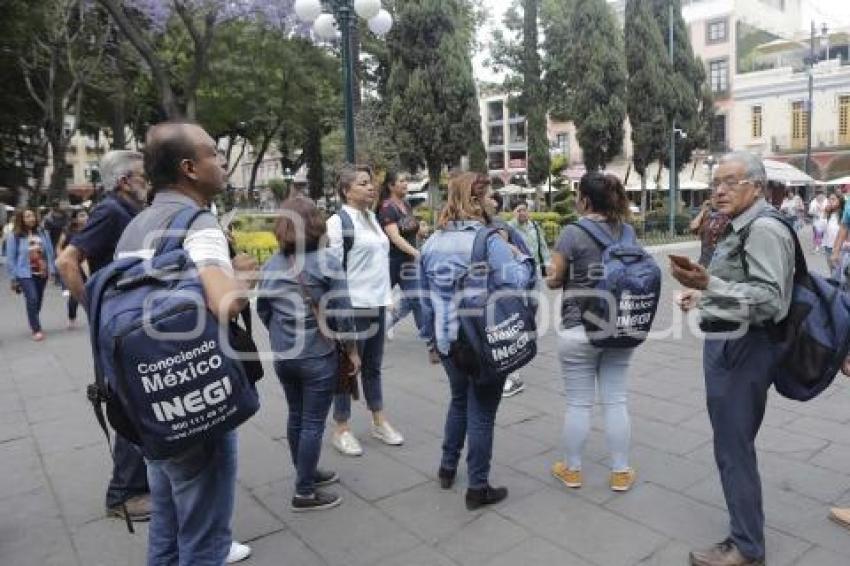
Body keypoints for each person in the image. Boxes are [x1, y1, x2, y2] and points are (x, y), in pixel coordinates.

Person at [114, 122, 256, 565]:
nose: (223, 162)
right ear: (190, 168)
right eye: (215, 154)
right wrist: (244, 275)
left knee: (168, 524)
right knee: (204, 538)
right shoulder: (198, 221)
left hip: (149, 396)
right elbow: (226, 303)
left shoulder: (138, 224)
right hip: (195, 396)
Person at [672, 151, 795, 566]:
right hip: (731, 340)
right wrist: (705, 293)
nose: (719, 191)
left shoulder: (762, 229)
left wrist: (709, 282)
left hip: (742, 348)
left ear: (756, 187)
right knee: (732, 444)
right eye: (715, 183)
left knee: (733, 447)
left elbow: (770, 302)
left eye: (730, 182)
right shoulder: (742, 224)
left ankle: (746, 547)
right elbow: (744, 286)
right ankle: (746, 538)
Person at [419, 172, 535, 510]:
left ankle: (446, 467)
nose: (494, 202)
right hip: (482, 343)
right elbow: (517, 281)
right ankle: (478, 487)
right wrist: (522, 256)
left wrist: (431, 340)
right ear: (474, 200)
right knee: (482, 412)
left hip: (448, 342)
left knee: (458, 401)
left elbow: (424, 298)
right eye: (489, 197)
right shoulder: (489, 240)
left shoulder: (432, 243)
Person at [55, 150, 153, 524]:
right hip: (116, 324)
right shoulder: (111, 210)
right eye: (143, 175)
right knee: (127, 403)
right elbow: (67, 261)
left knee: (136, 400)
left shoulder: (125, 210)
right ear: (126, 180)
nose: (148, 180)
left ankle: (137, 484)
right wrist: (95, 309)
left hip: (127, 321)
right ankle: (124, 494)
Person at [257, 196, 359, 512]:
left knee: (297, 415)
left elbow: (263, 310)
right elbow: (343, 313)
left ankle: (307, 471)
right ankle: (304, 491)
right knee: (313, 422)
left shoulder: (272, 264)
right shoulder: (326, 261)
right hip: (317, 354)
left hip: (285, 356)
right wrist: (353, 351)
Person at [545, 172, 638, 494]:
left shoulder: (572, 232)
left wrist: (552, 273)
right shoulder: (627, 232)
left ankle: (571, 470)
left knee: (578, 404)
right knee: (616, 400)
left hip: (578, 328)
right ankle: (621, 472)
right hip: (620, 326)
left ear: (585, 199)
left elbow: (555, 280)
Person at [326, 165, 403, 456]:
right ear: (346, 190)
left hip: (376, 303)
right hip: (352, 306)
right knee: (347, 369)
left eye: (371, 183)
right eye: (362, 183)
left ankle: (378, 420)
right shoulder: (338, 222)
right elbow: (331, 269)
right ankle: (341, 428)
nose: (371, 187)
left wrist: (387, 296)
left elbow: (378, 262)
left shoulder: (371, 218)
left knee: (373, 366)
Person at [377, 171, 436, 363]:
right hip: (389, 262)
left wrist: (422, 231)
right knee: (377, 303)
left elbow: (411, 228)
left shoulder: (406, 204)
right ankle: (370, 336)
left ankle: (431, 343)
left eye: (406, 180)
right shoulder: (387, 208)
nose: (406, 184)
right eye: (401, 181)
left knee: (418, 299)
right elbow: (395, 237)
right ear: (391, 186)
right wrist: (417, 253)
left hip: (407, 264)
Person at [6, 208, 56, 341]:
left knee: (38, 300)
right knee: (32, 298)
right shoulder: (15, 236)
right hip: (24, 273)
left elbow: (49, 253)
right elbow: (10, 258)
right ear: (21, 219)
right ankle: (36, 329)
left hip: (41, 272)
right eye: (27, 216)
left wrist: (52, 270)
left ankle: (33, 316)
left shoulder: (43, 233)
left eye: (32, 216)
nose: (31, 218)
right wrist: (13, 278)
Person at [56, 209, 88, 328]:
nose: (85, 218)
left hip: (88, 264)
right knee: (75, 293)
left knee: (93, 290)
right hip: (74, 265)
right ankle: (72, 317)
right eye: (81, 215)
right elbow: (59, 247)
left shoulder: (91, 230)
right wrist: (62, 260)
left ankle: (94, 315)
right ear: (75, 219)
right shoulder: (68, 231)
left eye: (86, 215)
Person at [690, 195, 731, 268]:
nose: (714, 200)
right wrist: (703, 210)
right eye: (712, 197)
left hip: (719, 261)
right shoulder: (708, 216)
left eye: (716, 197)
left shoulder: (726, 215)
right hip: (704, 261)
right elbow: (693, 226)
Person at [823, 192, 845, 273]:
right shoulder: (829, 214)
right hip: (828, 246)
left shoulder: (843, 214)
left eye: (833, 199)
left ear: (840, 200)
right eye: (829, 199)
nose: (830, 201)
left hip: (840, 247)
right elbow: (820, 229)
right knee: (832, 271)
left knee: (838, 273)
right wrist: (825, 213)